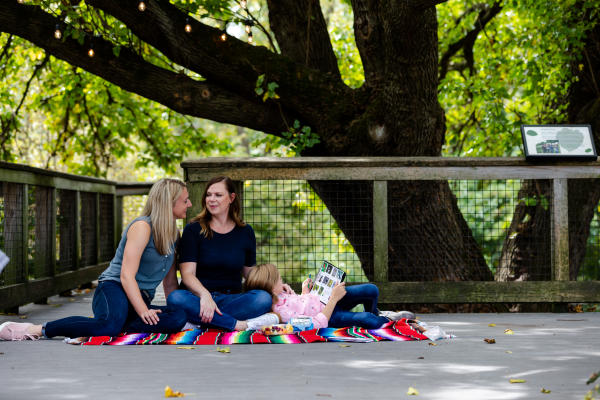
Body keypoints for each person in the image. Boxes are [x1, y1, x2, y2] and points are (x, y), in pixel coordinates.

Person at [0, 178, 191, 341]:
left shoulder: (173, 234)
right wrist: (143, 311)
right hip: (114, 288)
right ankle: (35, 330)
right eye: (185, 200)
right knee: (109, 326)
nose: (189, 204)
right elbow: (126, 276)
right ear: (169, 203)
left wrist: (169, 311)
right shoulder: (142, 227)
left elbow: (170, 283)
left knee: (178, 317)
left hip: (140, 298)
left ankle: (110, 324)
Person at [167, 176, 279, 331]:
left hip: (231, 299)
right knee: (175, 298)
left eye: (218, 195)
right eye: (208, 195)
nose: (211, 199)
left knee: (263, 298)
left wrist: (275, 285)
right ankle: (235, 325)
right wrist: (205, 296)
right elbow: (187, 275)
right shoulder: (193, 230)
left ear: (231, 198)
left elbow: (250, 274)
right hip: (198, 298)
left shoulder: (245, 232)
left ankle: (202, 321)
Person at [245, 263, 415, 329]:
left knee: (371, 290)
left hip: (324, 299)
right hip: (329, 315)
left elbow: (302, 304)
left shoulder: (282, 292)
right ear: (270, 287)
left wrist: (305, 292)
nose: (282, 281)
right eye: (278, 279)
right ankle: (397, 324)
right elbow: (315, 323)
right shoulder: (282, 315)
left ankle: (379, 313)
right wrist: (334, 298)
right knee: (367, 319)